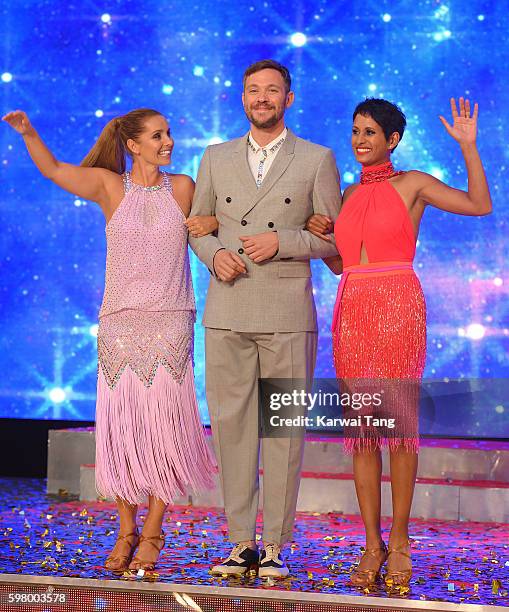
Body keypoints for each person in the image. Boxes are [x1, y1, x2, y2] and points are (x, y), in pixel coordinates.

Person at [2, 108, 217, 572]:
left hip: (171, 324)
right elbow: (55, 170)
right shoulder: (109, 185)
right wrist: (29, 134)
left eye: (170, 133)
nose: (169, 141)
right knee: (124, 436)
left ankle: (154, 532)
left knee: (166, 432)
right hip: (119, 328)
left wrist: (213, 226)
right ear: (134, 145)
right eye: (158, 135)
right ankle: (125, 528)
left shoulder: (182, 188)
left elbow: (211, 227)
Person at [306, 97, 492, 590]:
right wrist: (320, 236)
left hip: (398, 307)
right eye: (355, 131)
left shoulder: (414, 183)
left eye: (370, 132)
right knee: (362, 431)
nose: (360, 140)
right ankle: (372, 543)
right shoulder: (345, 194)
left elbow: (480, 205)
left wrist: (469, 148)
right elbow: (342, 265)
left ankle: (402, 539)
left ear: (392, 140)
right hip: (352, 309)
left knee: (399, 428)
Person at [188, 59, 341, 578]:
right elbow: (198, 226)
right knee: (231, 430)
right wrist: (212, 255)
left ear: (289, 99)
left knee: (283, 433)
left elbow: (334, 238)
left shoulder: (317, 158)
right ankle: (239, 543)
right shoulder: (215, 156)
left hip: (286, 309)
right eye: (253, 90)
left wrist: (284, 240)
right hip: (227, 306)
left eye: (272, 90)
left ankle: (274, 544)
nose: (262, 98)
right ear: (242, 97)